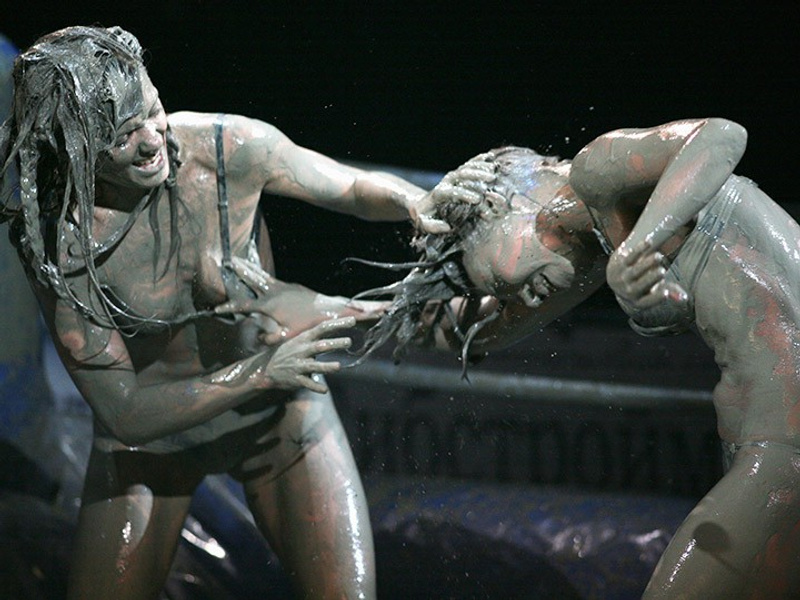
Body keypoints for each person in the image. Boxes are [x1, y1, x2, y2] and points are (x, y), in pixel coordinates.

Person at [0, 25, 444, 599]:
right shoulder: (60, 242)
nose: (151, 140)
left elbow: (351, 188)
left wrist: (415, 200)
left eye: (152, 111)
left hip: (275, 422)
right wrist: (262, 370)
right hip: (151, 447)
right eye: (122, 135)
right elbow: (124, 411)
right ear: (75, 147)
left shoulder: (225, 147)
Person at [360, 118, 800, 598]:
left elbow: (721, 136)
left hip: (784, 440)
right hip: (764, 439)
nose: (519, 297)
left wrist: (640, 246)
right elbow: (484, 332)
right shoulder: (593, 250)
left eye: (501, 282)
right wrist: (346, 314)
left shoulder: (596, 172)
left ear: (505, 205)